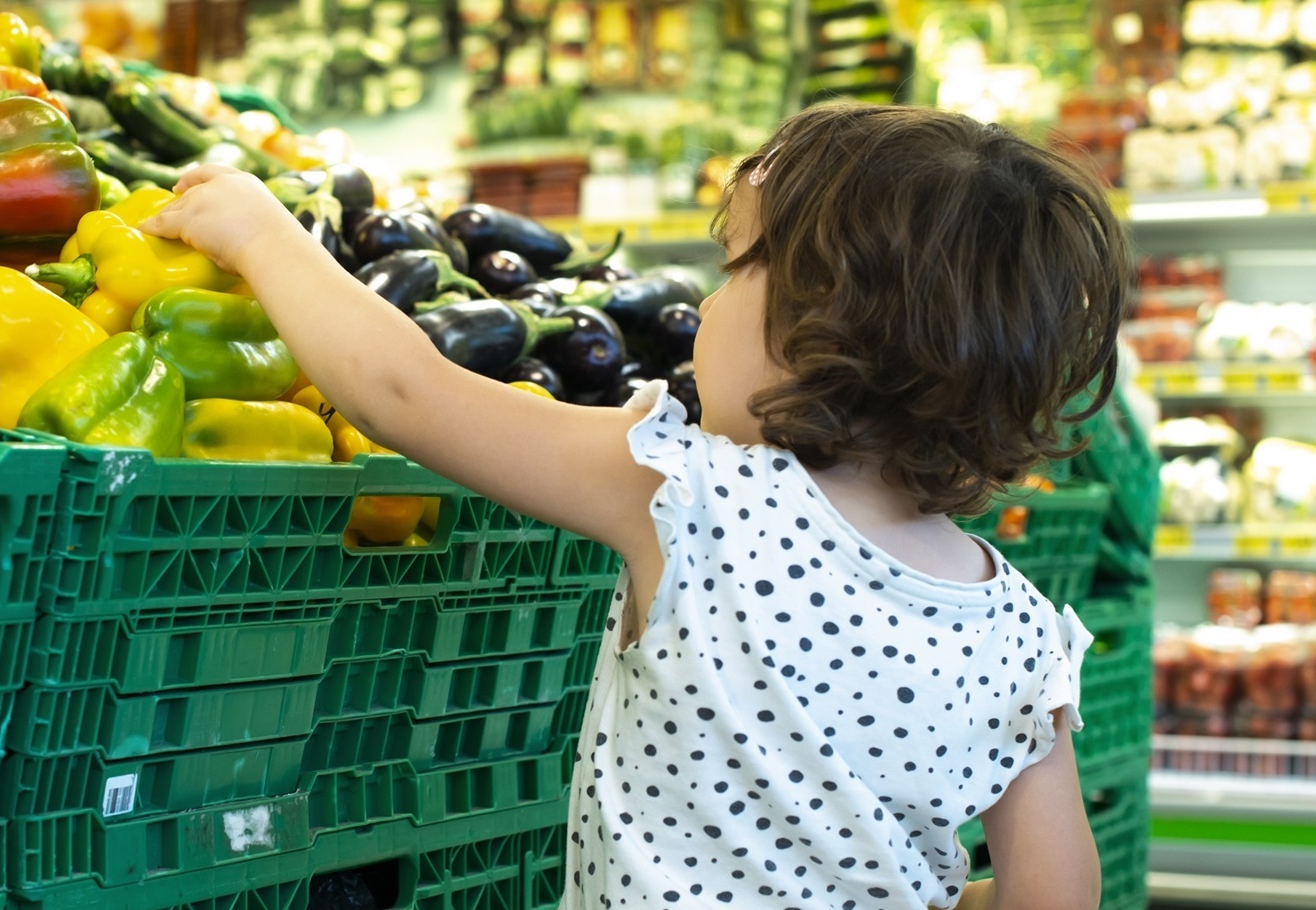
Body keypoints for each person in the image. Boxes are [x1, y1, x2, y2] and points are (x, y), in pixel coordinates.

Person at [143, 102, 1128, 910]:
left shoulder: (687, 491)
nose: (704, 306)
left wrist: (262, 233)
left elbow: (405, 393)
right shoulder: (1021, 630)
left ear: (823, 331)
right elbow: (1057, 892)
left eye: (738, 265)